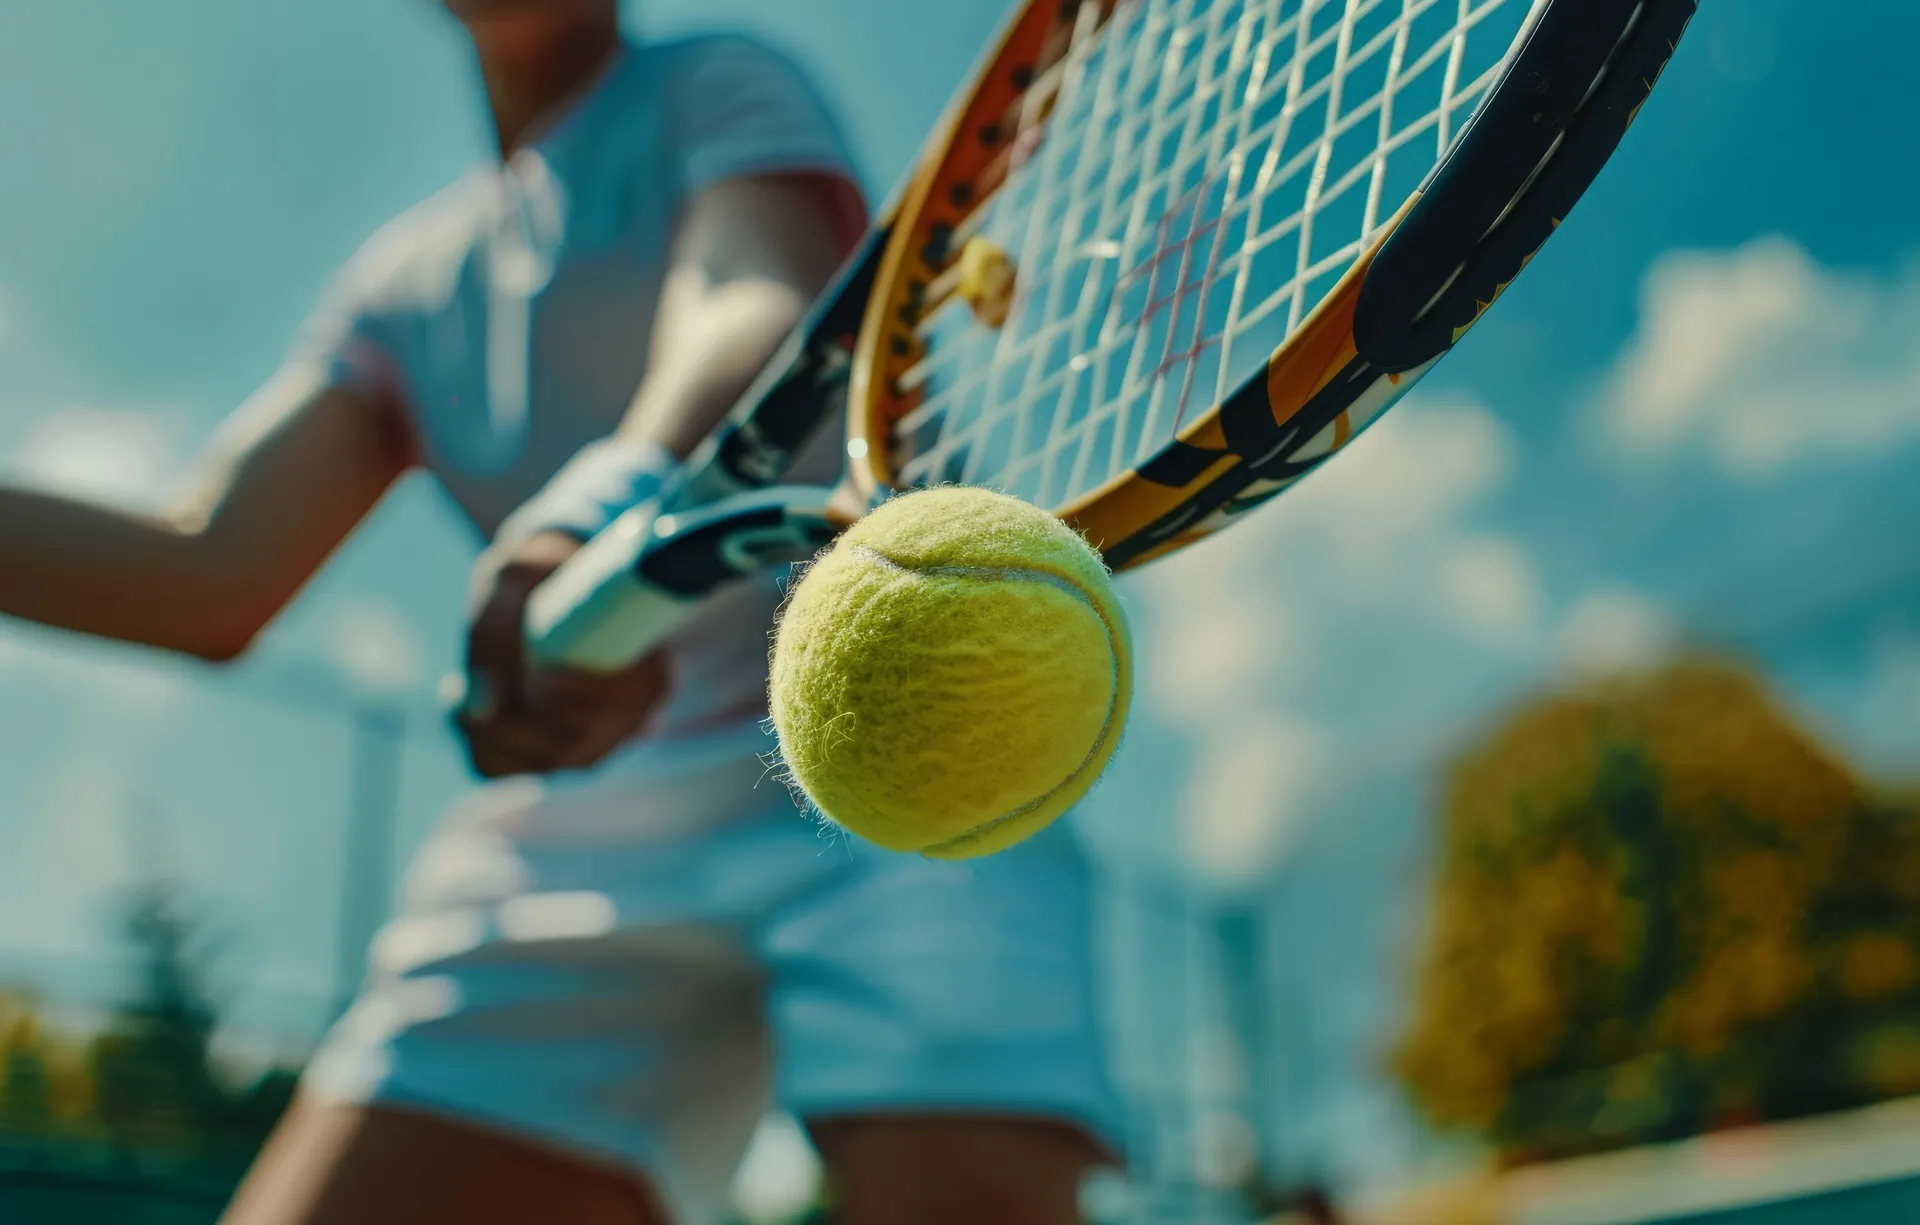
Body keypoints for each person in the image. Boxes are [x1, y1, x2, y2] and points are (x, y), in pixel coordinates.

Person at [0, 2, 1125, 1223]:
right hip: (574, 834)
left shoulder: (718, 85)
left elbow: (751, 302)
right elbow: (205, 572)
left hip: (907, 758)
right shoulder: (401, 289)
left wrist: (602, 501)